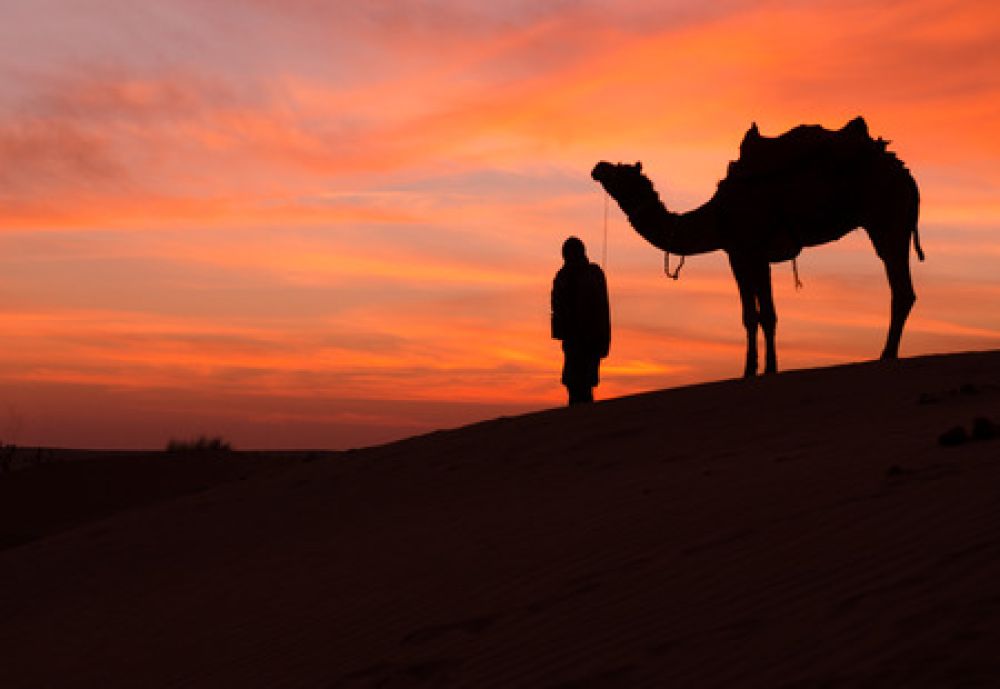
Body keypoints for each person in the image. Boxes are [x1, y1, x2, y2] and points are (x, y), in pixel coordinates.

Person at [551, 237, 611, 405]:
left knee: (582, 386)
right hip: (576, 341)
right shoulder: (564, 276)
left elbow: (601, 308)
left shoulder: (591, 274)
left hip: (588, 340)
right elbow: (558, 309)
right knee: (576, 385)